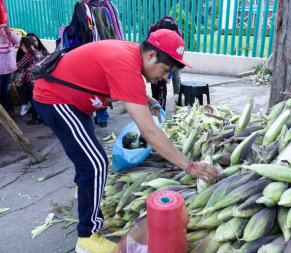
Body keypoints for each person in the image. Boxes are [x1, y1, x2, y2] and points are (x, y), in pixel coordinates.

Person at [33, 29, 218, 253]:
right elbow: (149, 131)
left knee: (86, 156)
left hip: (74, 101)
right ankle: (87, 237)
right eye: (166, 70)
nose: (166, 78)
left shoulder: (132, 57)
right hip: (56, 98)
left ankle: (84, 189)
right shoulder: (124, 64)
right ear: (150, 56)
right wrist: (189, 166)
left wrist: (146, 98)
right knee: (95, 162)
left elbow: (118, 83)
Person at [147, 16, 182, 110]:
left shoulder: (176, 33)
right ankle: (155, 102)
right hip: (158, 56)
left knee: (176, 78)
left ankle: (177, 100)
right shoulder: (153, 32)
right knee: (155, 81)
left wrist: (168, 75)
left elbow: (174, 57)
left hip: (173, 56)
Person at [16, 33, 48, 118]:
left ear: (24, 46)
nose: (22, 49)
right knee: (41, 99)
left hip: (32, 81)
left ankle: (34, 118)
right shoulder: (39, 52)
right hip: (41, 79)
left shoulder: (28, 54)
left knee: (33, 99)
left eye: (22, 47)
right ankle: (42, 118)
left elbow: (19, 65)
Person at [0, 24, 20, 114]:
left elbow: (17, 41)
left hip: (8, 66)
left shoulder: (7, 30)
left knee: (6, 90)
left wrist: (10, 33)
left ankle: (8, 110)